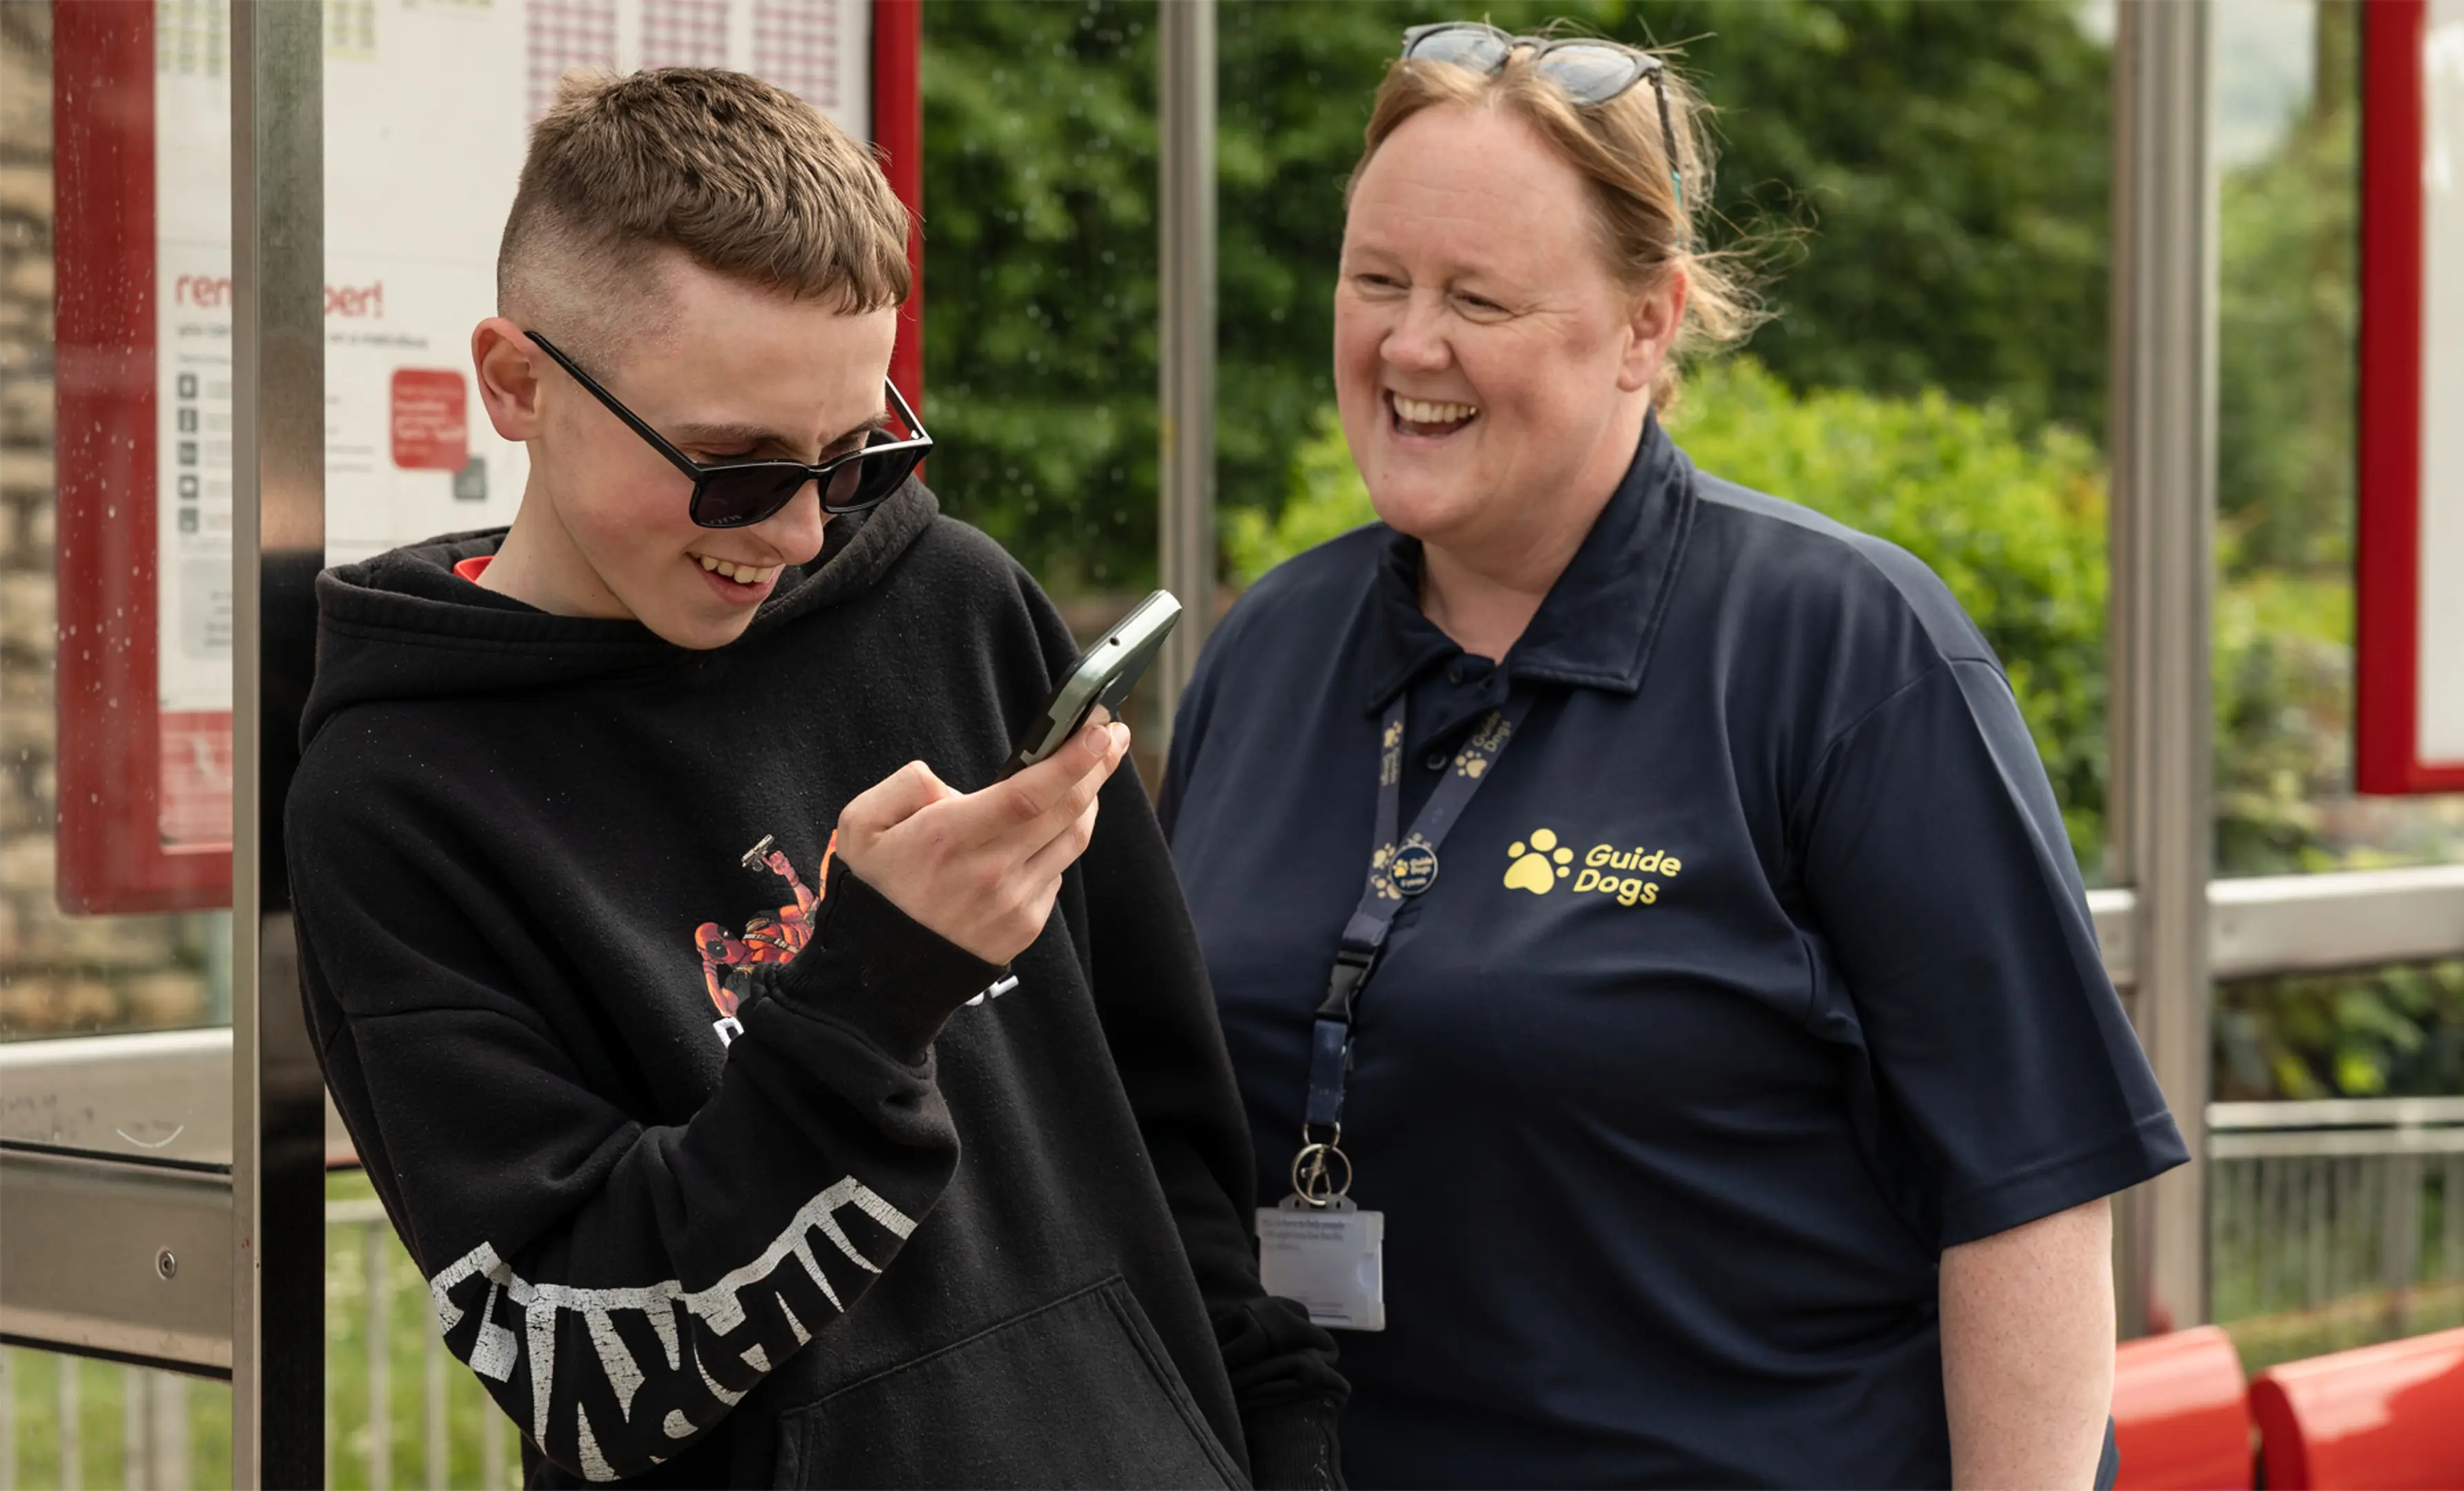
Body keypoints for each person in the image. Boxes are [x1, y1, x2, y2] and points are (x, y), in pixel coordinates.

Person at [1156, 23, 2186, 1490]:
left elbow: (2029, 1194)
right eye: (1375, 280)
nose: (1407, 345)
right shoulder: (1267, 653)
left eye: (1481, 298)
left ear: (1651, 323)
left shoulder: (1847, 652)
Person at [289, 68, 1343, 1490]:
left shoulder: (956, 605)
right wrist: (868, 995)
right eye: (730, 469)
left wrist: (1284, 1450)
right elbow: (588, 1369)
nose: (795, 533)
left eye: (854, 457)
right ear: (517, 383)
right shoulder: (400, 794)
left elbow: (1168, 1139)